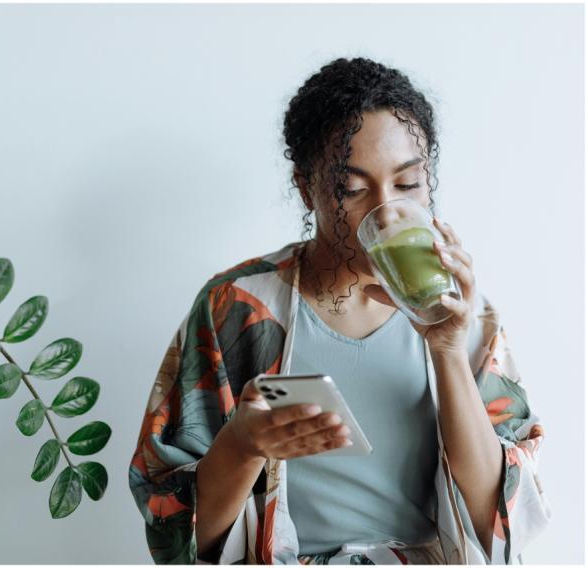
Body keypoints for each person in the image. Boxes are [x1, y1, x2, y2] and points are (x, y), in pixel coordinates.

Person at [128, 57, 550, 565]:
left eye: (409, 183)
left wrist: (446, 349)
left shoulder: (466, 314)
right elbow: (174, 529)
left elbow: (500, 522)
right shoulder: (235, 305)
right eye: (351, 189)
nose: (387, 208)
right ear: (306, 187)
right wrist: (242, 444)